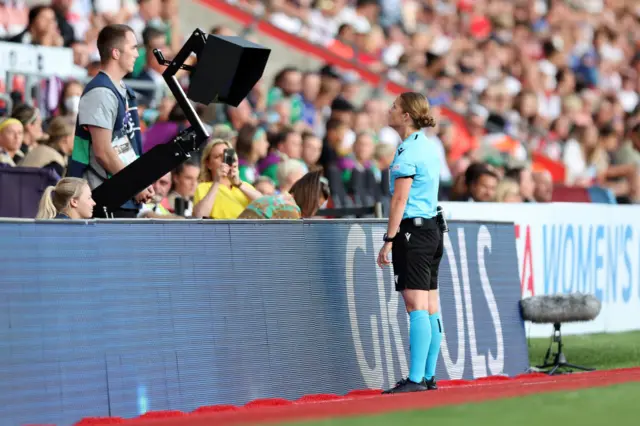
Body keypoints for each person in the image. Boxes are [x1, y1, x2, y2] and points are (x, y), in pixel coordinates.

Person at [377, 92, 444, 394]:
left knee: (415, 305)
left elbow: (400, 199)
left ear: (406, 116)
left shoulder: (408, 153)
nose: (389, 110)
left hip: (412, 233)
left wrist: (389, 239)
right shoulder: (428, 147)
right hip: (432, 229)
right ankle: (428, 375)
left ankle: (416, 379)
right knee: (430, 306)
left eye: (394, 107)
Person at [67, 24, 154, 218]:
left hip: (122, 194)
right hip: (104, 197)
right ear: (115, 53)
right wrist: (135, 184)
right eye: (133, 48)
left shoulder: (119, 89)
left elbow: (124, 146)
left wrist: (141, 180)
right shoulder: (101, 93)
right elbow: (104, 152)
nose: (137, 54)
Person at [238, 170, 330, 219]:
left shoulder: (282, 199)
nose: (314, 212)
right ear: (309, 197)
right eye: (316, 205)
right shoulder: (289, 209)